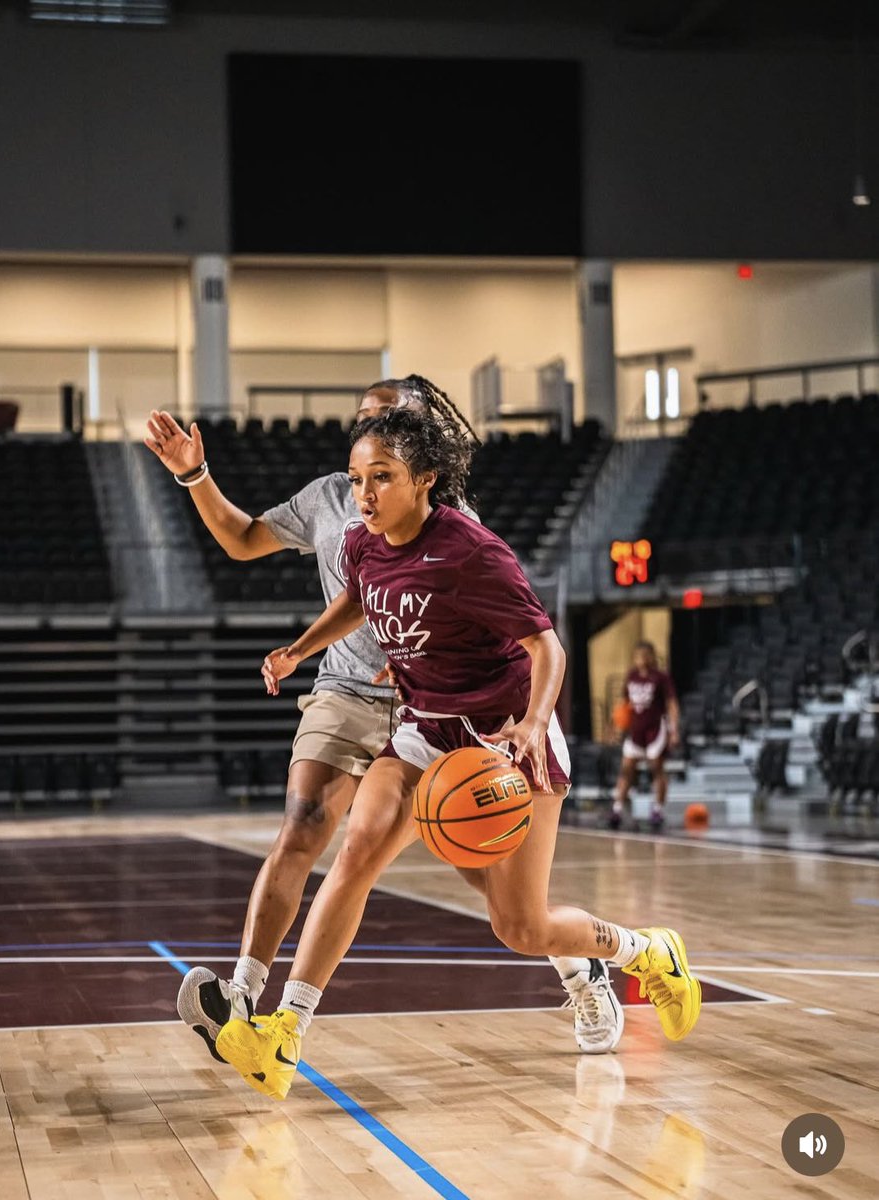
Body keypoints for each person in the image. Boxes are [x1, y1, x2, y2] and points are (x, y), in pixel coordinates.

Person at [214, 407, 701, 1100]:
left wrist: (533, 724)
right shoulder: (363, 542)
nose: (364, 496)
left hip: (504, 736)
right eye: (355, 480)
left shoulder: (472, 551)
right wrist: (299, 649)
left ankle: (644, 951)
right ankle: (284, 1033)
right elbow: (361, 599)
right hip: (423, 728)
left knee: (520, 925)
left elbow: (546, 646)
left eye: (381, 479)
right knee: (355, 853)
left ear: (425, 479)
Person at [144, 376, 623, 1057]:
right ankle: (256, 1007)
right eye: (366, 426)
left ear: (422, 455)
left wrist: (444, 670)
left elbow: (522, 638)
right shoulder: (335, 503)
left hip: (453, 706)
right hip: (357, 694)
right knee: (314, 829)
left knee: (494, 885)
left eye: (392, 423)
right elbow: (265, 549)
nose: (370, 461)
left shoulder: (458, 530)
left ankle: (581, 962)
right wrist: (196, 477)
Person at [610, 641, 681, 833]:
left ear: (651, 656)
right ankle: (616, 809)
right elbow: (624, 704)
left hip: (655, 729)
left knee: (657, 769)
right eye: (638, 654)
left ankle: (657, 809)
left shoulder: (661, 677)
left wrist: (674, 730)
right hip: (635, 730)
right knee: (626, 769)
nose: (641, 658)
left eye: (644, 654)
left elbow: (672, 703)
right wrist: (616, 727)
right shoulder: (631, 676)